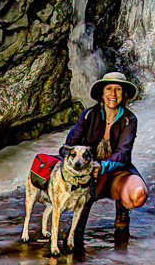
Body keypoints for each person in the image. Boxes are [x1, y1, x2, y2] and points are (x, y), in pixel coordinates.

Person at [61, 71, 148, 237]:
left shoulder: (130, 119)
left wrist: (102, 165)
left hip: (118, 171)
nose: (113, 94)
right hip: (89, 172)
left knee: (138, 195)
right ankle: (76, 227)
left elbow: (123, 153)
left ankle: (122, 212)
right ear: (101, 93)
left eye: (118, 89)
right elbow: (67, 147)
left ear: (124, 94)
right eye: (109, 88)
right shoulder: (88, 115)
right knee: (82, 201)